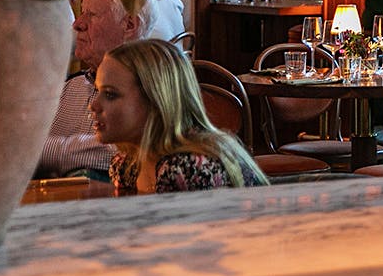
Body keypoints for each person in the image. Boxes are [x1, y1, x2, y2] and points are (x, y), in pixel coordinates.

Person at [37, 0, 184, 178]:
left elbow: (128, 149)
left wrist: (34, 151)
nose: (78, 24)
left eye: (92, 14)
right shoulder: (69, 87)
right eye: (82, 13)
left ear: (130, 25)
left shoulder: (149, 91)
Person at [93, 38, 267, 194]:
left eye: (110, 94)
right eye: (98, 91)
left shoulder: (188, 167)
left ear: (156, 101)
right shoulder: (127, 166)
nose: (93, 105)